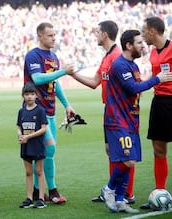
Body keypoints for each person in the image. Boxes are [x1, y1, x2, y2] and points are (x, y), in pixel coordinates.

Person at [101, 29, 172, 213]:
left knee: (130, 161)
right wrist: (157, 79)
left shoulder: (133, 66)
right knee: (129, 160)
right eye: (139, 43)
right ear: (129, 45)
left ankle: (120, 200)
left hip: (131, 119)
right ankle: (109, 189)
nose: (143, 46)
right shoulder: (120, 65)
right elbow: (132, 88)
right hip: (118, 120)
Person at [69, 20, 135, 204]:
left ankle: (127, 194)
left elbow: (131, 85)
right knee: (111, 151)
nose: (95, 35)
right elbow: (94, 82)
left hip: (120, 111)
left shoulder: (117, 56)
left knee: (125, 152)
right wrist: (72, 74)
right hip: (110, 110)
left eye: (98, 32)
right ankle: (112, 190)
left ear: (105, 34)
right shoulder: (107, 57)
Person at [23, 22, 74, 204]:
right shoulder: (33, 55)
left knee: (46, 153)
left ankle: (38, 191)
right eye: (50, 35)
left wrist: (67, 104)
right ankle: (52, 191)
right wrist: (62, 72)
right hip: (35, 112)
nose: (54, 38)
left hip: (50, 111)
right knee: (50, 148)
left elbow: (55, 83)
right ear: (40, 36)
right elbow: (37, 78)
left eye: (54, 35)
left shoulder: (53, 56)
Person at [140, 16, 172, 209]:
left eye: (144, 32)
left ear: (152, 31)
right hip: (159, 103)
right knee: (159, 149)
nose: (143, 35)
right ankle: (160, 192)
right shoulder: (152, 52)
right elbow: (156, 76)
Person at [17, 82, 47, 209]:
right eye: (27, 94)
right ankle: (29, 198)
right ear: (23, 96)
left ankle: (41, 198)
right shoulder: (21, 111)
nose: (29, 97)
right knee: (28, 172)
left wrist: (28, 136)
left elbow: (44, 128)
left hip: (37, 144)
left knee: (39, 171)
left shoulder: (40, 111)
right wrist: (20, 135)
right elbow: (19, 126)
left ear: (36, 96)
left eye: (32, 94)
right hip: (25, 145)